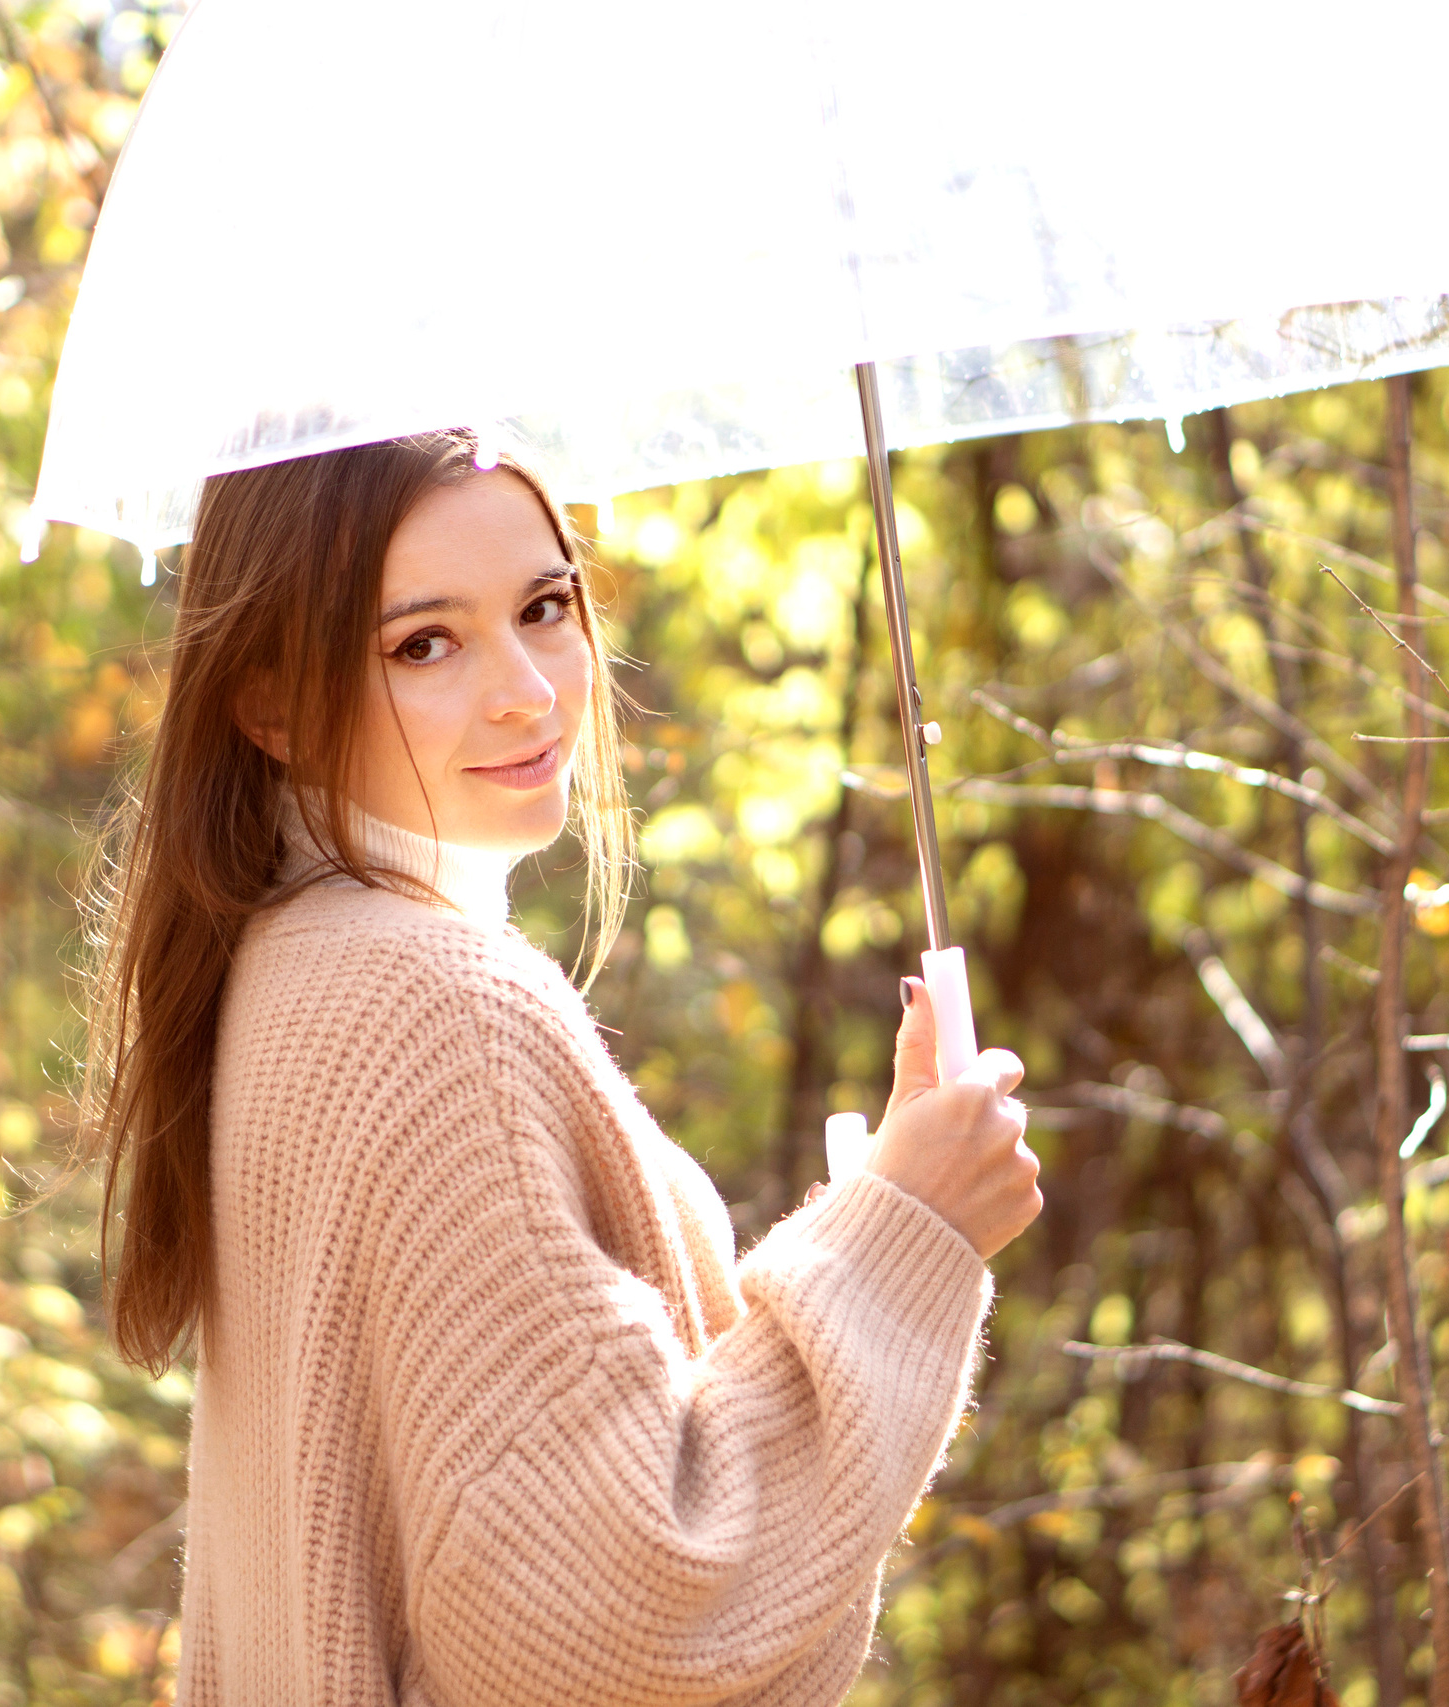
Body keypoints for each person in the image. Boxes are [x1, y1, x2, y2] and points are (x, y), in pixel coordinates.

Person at [74, 428, 1041, 1704]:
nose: (528, 689)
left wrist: (885, 1202)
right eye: (424, 643)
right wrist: (901, 1236)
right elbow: (627, 1620)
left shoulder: (291, 963)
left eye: (544, 606)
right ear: (269, 703)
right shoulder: (437, 1005)